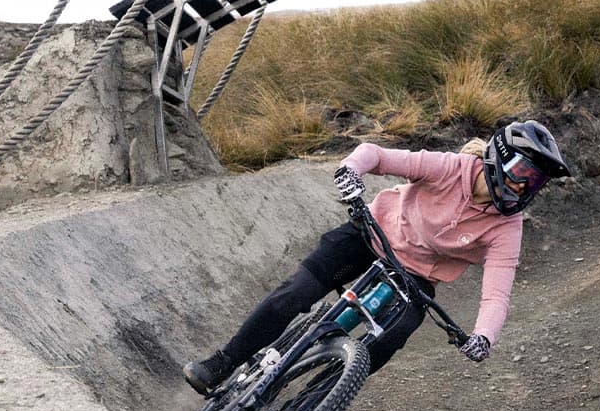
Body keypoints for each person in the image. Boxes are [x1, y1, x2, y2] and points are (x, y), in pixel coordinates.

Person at [183, 120, 570, 394]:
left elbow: (496, 294)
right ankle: (222, 363)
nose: (526, 185)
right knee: (296, 292)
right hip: (371, 235)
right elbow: (375, 154)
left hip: (415, 276)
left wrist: (485, 337)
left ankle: (314, 402)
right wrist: (352, 171)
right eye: (523, 172)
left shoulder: (508, 225)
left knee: (393, 335)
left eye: (536, 181)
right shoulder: (450, 168)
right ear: (498, 157)